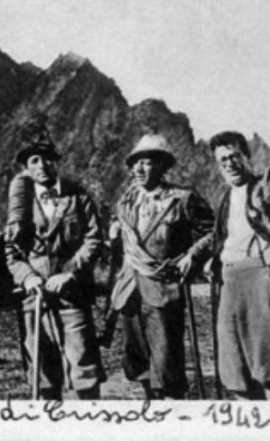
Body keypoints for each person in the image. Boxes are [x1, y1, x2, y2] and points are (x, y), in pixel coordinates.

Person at [108, 134, 214, 399]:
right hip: (130, 289)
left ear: (162, 165)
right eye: (135, 163)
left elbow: (214, 232)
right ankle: (151, 405)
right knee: (137, 360)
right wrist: (114, 239)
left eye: (146, 162)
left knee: (167, 363)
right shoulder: (127, 202)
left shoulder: (182, 199)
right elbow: (124, 249)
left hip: (164, 289)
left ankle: (171, 409)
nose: (139, 168)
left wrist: (193, 254)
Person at [5, 124, 105, 400]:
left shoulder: (77, 196)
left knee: (84, 364)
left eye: (47, 158)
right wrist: (28, 277)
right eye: (34, 160)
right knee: (42, 370)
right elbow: (11, 251)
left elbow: (94, 239)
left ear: (57, 161)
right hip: (34, 296)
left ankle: (91, 418)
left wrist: (70, 272)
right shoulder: (20, 203)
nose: (42, 165)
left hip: (72, 293)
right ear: (27, 168)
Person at [209, 130, 270, 401]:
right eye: (222, 160)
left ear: (246, 156)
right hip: (230, 282)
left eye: (234, 156)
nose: (229, 164)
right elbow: (224, 237)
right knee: (234, 366)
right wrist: (203, 257)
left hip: (259, 277)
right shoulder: (227, 197)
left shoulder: (267, 187)